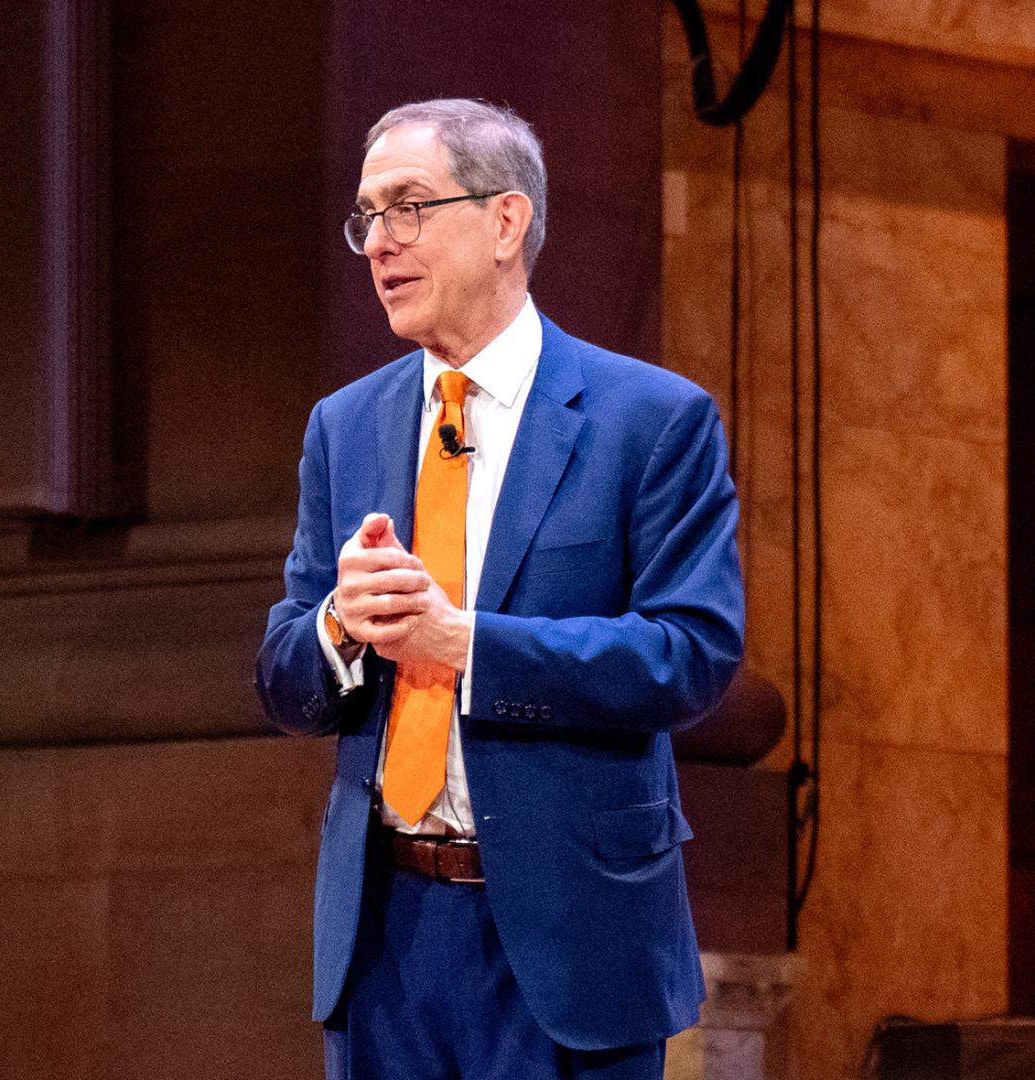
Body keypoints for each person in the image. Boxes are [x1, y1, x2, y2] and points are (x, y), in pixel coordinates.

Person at [255, 98, 744, 1080]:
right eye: (365, 218)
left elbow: (688, 656)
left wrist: (466, 642)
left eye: (408, 208)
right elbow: (281, 678)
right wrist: (338, 627)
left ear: (506, 221)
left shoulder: (648, 421)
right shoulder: (343, 427)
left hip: (569, 936)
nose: (379, 245)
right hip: (385, 937)